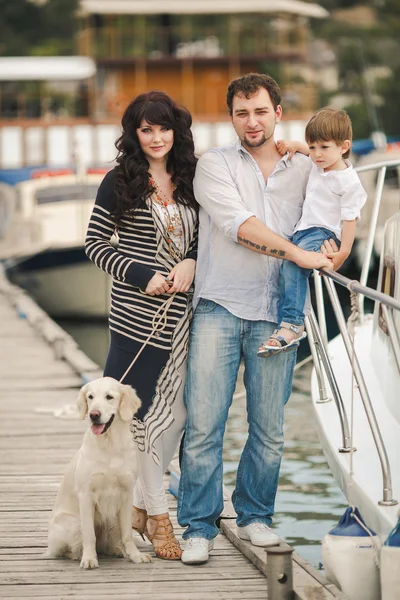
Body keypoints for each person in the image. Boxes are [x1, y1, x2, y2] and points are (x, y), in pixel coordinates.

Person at [177, 72, 332, 565]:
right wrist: (297, 254)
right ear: (231, 117)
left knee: (269, 427)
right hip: (219, 305)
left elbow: (335, 214)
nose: (251, 121)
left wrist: (333, 251)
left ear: (278, 113)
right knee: (204, 425)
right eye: (242, 113)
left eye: (261, 111)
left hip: (278, 313)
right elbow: (239, 227)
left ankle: (255, 517)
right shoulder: (214, 166)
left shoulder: (308, 169)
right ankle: (198, 526)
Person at [85, 91, 198, 560]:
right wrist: (141, 274)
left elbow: (210, 233)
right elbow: (94, 243)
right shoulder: (120, 181)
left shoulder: (192, 177)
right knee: (139, 421)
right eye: (146, 129)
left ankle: (136, 507)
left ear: (176, 130)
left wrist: (192, 260)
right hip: (136, 323)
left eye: (163, 128)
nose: (155, 138)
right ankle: (157, 516)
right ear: (134, 133)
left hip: (189, 318)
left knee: (180, 420)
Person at [258, 107, 367, 356]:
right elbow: (310, 151)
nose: (316, 154)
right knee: (285, 269)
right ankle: (287, 319)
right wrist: (295, 145)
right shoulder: (321, 164)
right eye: (313, 147)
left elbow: (350, 219)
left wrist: (343, 253)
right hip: (303, 231)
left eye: (324, 147)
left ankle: (293, 324)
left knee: (292, 266)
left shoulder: (348, 181)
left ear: (344, 146)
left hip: (323, 233)